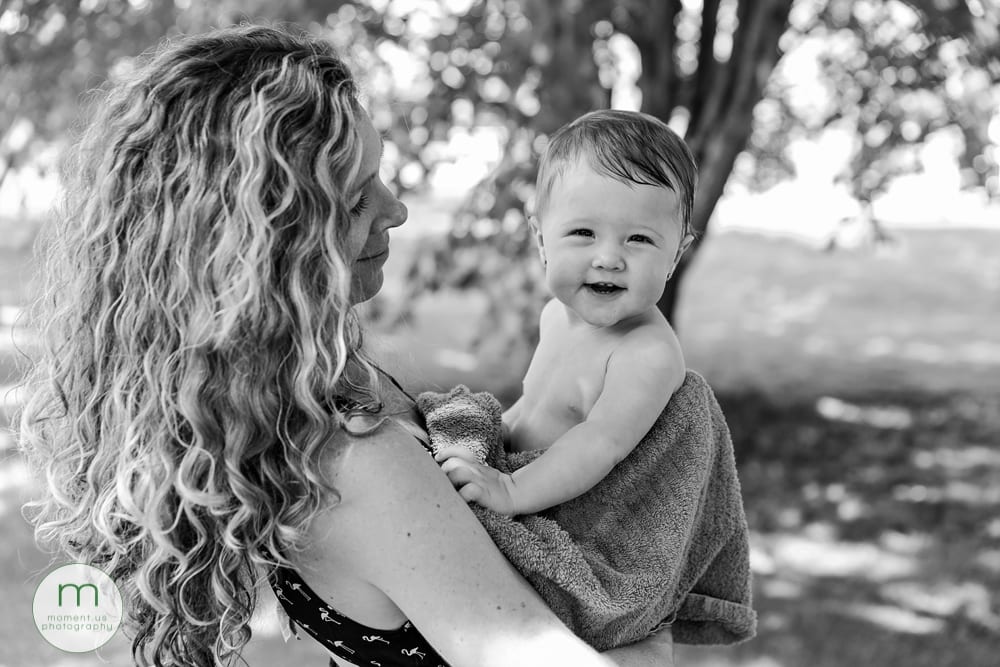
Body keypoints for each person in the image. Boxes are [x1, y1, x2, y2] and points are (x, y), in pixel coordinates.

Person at [17, 24, 676, 667]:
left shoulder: (273, 412)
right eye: (359, 197)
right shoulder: (358, 461)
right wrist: (655, 642)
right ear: (269, 246)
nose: (397, 210)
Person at [435, 110, 696, 517]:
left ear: (675, 256)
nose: (608, 258)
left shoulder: (645, 352)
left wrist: (512, 490)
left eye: (639, 239)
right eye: (584, 233)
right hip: (518, 478)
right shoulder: (555, 315)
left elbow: (601, 442)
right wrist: (491, 433)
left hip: (561, 513)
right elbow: (537, 404)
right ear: (541, 239)